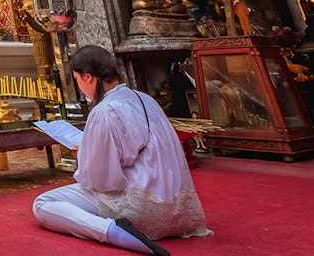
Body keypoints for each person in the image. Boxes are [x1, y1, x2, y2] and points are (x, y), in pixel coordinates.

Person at [33, 45, 210, 255]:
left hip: (142, 210)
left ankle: (110, 231)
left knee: (44, 203)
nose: (80, 86)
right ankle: (117, 227)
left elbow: (101, 180)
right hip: (179, 210)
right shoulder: (145, 99)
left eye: (78, 80)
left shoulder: (104, 111)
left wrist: (82, 155)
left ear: (88, 77)